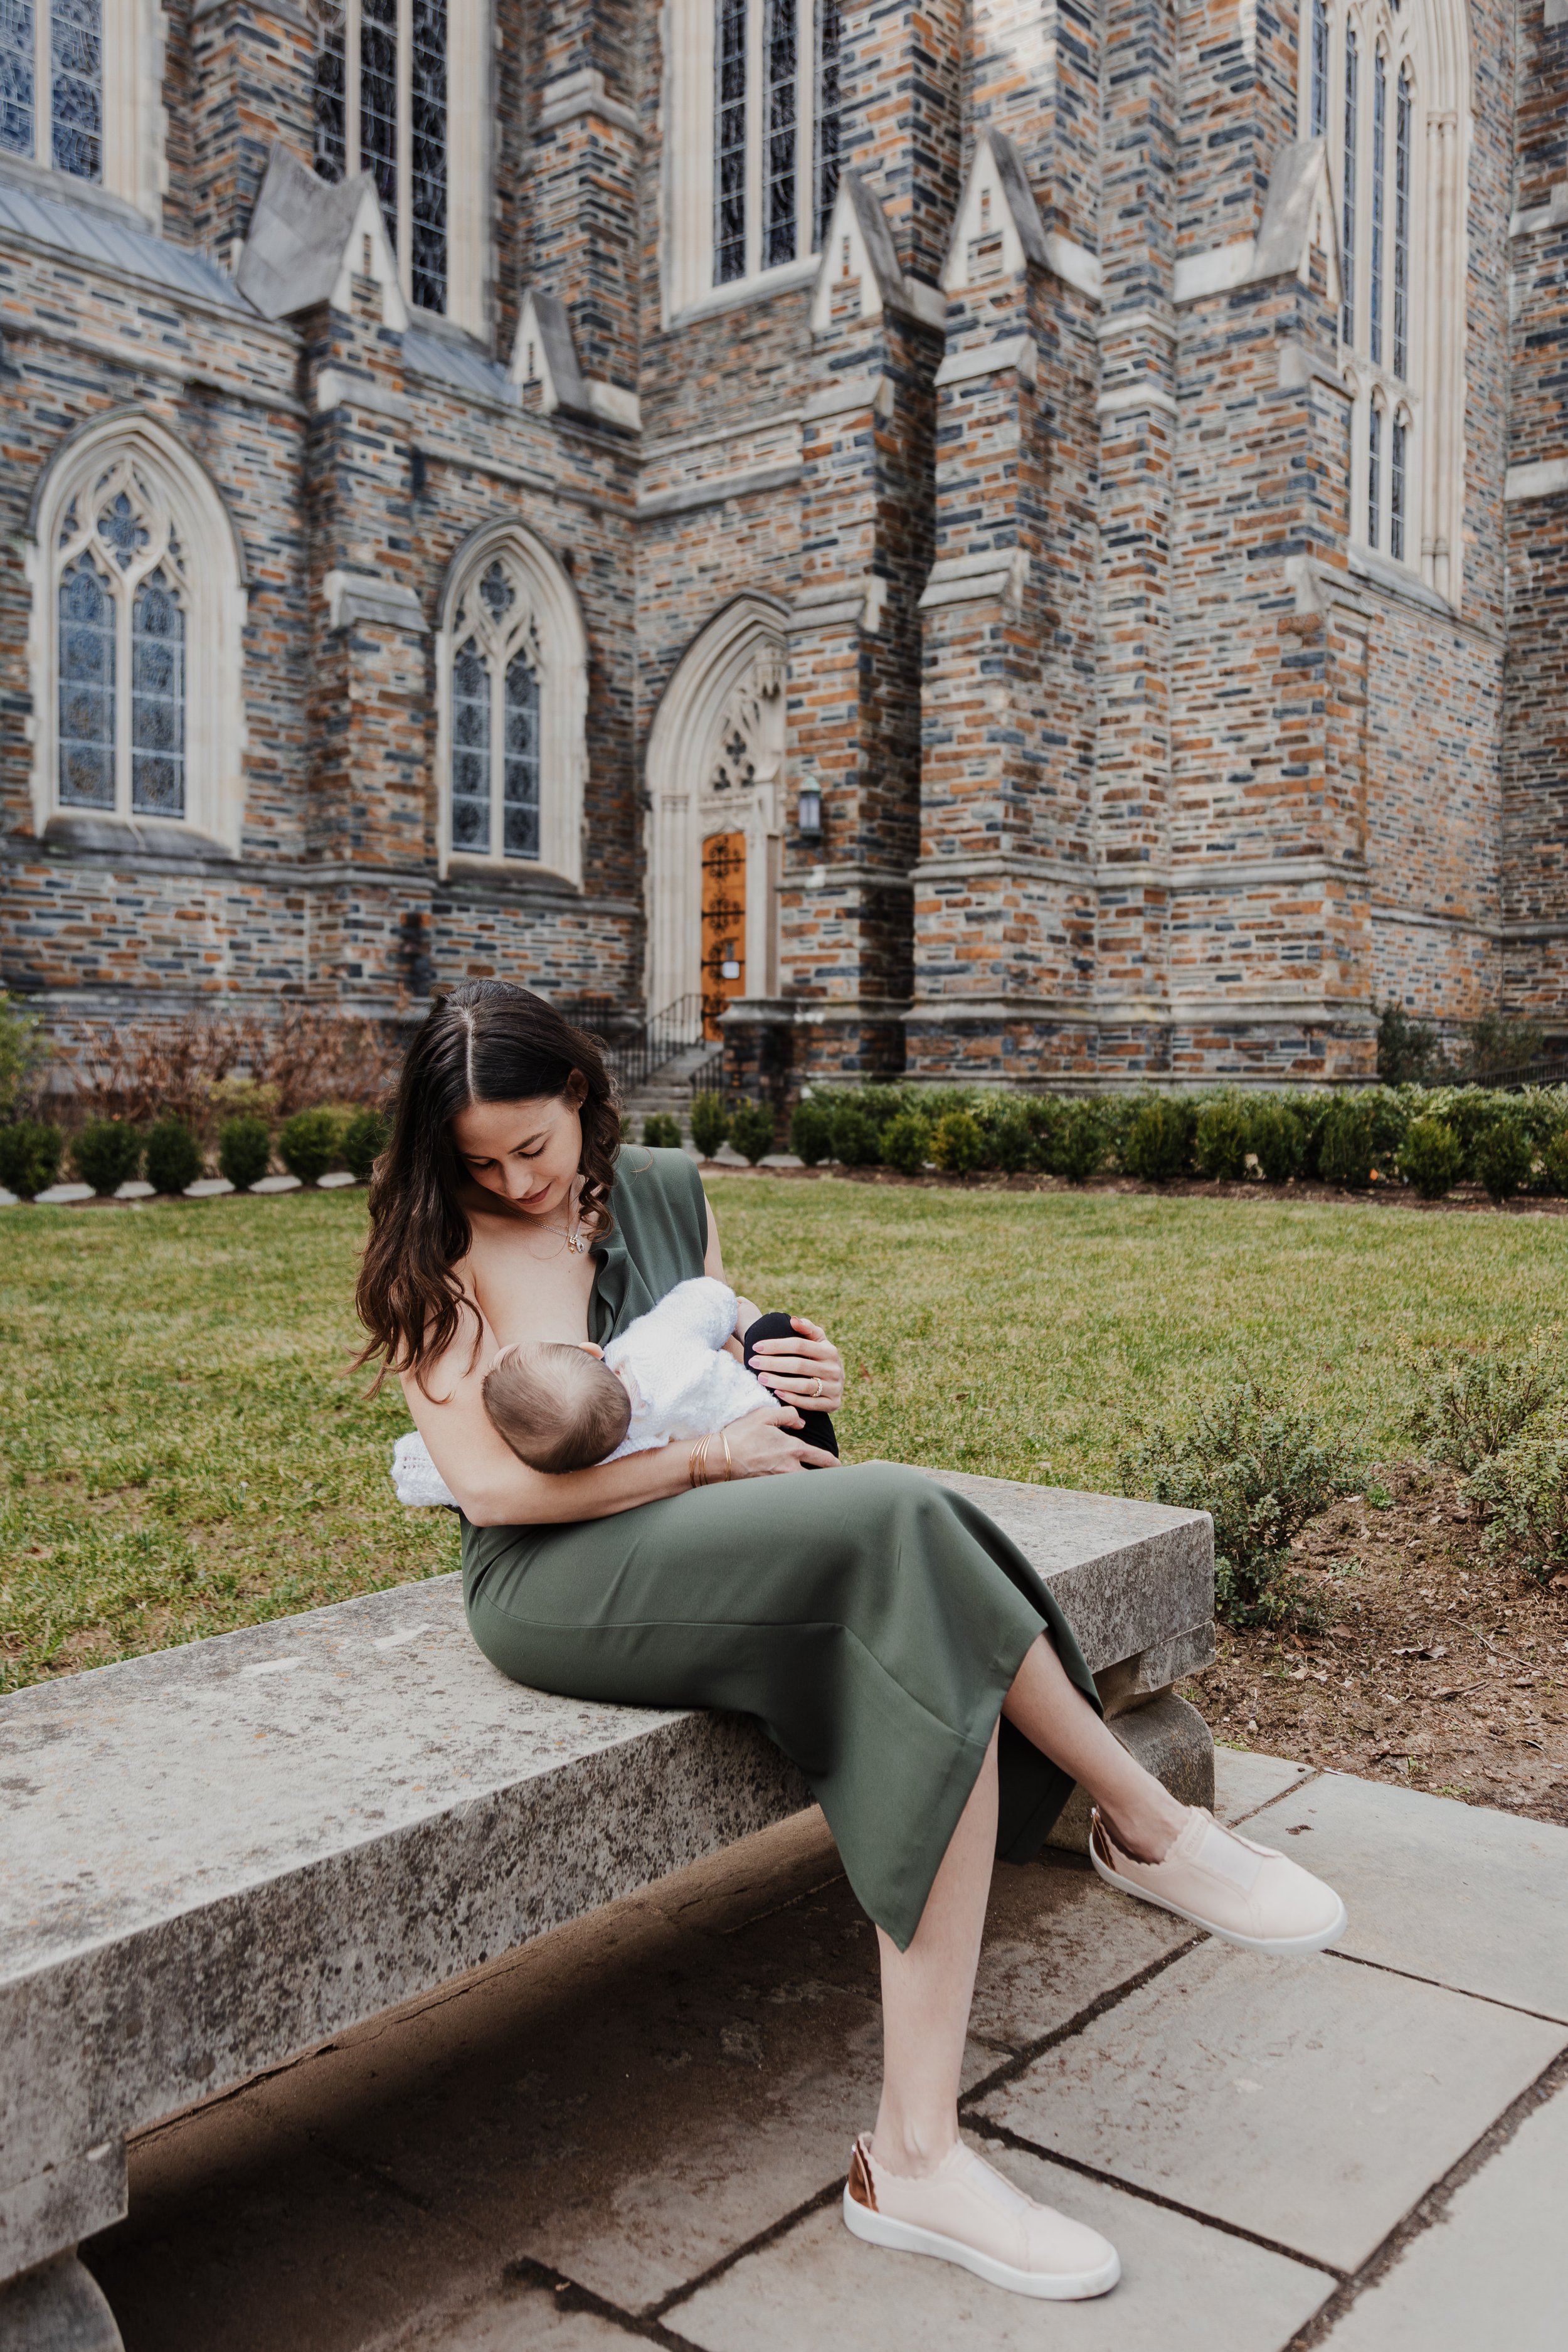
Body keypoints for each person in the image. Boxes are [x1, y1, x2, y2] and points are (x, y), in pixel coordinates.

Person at [356, 982, 1345, 2305]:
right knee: (900, 1517)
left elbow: (721, 1341)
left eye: (532, 1147)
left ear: (582, 1100)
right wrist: (705, 1459)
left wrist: (795, 1368)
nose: (515, 1181)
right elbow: (497, 1494)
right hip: (556, 1575)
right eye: (477, 1160)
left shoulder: (654, 1185)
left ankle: (917, 2149)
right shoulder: (432, 1257)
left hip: (706, 1513)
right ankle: (1140, 1826)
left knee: (909, 1542)